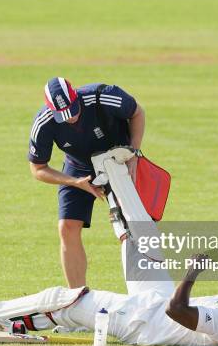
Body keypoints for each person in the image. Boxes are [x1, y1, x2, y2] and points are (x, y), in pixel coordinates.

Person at [0, 253, 218, 346]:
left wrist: (192, 272)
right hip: (138, 317)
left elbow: (176, 310)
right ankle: (3, 322)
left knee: (63, 298)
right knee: (68, 313)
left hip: (135, 319)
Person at [28, 77, 146, 288]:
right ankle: (78, 300)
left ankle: (145, 292)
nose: (70, 118)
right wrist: (74, 182)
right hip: (78, 167)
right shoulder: (43, 123)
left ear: (76, 95)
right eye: (63, 116)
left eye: (73, 110)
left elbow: (137, 112)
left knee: (132, 227)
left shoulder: (105, 95)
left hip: (118, 160)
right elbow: (38, 169)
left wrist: (134, 153)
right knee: (66, 228)